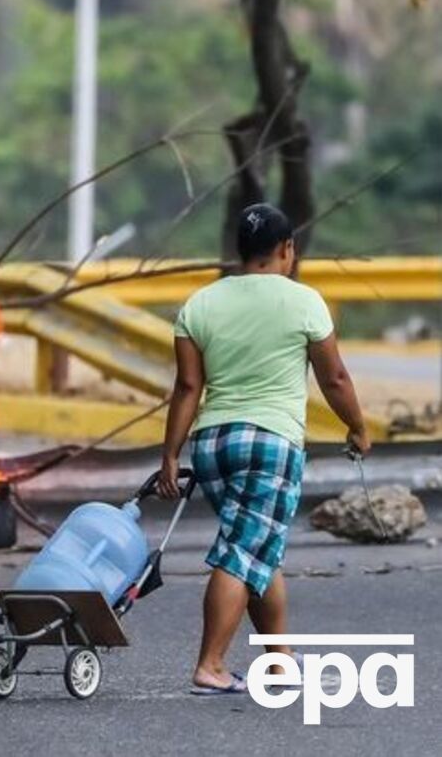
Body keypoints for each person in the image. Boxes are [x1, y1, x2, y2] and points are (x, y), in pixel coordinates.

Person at [156, 202, 370, 695]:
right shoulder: (304, 302)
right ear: (286, 249)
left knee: (257, 549)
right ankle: (210, 664)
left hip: (213, 445)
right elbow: (334, 377)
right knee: (242, 551)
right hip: (270, 441)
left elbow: (188, 387)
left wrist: (170, 454)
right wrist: (358, 427)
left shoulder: (200, 304)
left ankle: (279, 659)